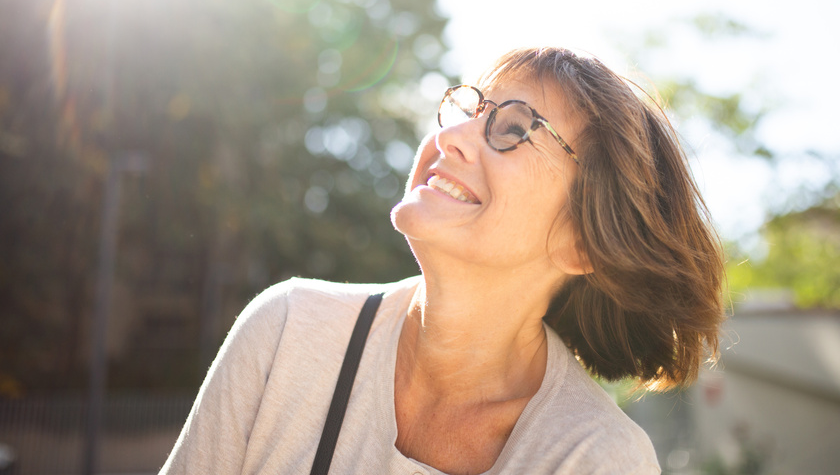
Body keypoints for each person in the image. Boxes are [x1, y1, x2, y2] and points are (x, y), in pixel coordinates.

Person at [160, 47, 724, 474]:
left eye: (515, 128)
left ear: (584, 241)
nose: (450, 135)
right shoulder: (287, 332)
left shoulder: (598, 460)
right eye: (466, 109)